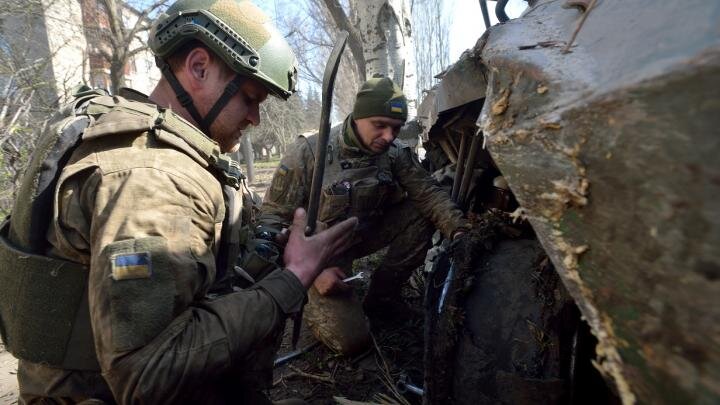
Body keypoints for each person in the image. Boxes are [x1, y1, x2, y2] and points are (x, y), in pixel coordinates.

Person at [0, 0, 357, 403]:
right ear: (199, 67)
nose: (255, 118)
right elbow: (146, 375)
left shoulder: (145, 137)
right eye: (251, 98)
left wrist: (271, 249)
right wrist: (293, 279)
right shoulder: (153, 178)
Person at [259, 77, 470, 355]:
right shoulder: (310, 152)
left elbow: (428, 194)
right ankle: (310, 296)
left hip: (365, 234)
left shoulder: (394, 154)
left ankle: (382, 296)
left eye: (395, 128)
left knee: (422, 212)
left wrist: (460, 230)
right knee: (352, 342)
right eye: (379, 125)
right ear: (358, 117)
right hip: (319, 254)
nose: (388, 136)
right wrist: (312, 272)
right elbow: (272, 220)